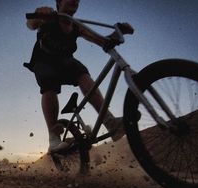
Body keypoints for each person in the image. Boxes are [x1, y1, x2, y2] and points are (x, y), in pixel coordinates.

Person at [25, 0, 125, 153]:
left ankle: (110, 123)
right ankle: (53, 138)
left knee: (83, 75)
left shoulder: (76, 26)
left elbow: (99, 40)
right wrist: (40, 14)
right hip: (44, 60)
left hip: (65, 62)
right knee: (48, 82)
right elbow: (31, 24)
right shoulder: (49, 17)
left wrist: (117, 34)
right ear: (59, 2)